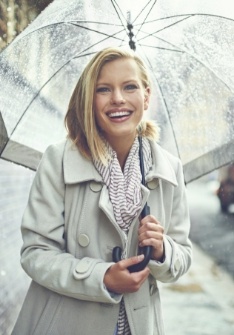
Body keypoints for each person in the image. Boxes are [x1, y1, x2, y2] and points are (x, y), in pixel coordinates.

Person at [12, 47, 192, 335]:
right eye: (104, 89)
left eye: (129, 86)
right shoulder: (58, 160)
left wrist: (162, 250)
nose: (118, 98)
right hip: (67, 323)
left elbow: (182, 256)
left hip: (137, 325)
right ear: (89, 100)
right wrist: (103, 277)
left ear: (146, 96)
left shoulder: (169, 168)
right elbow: (35, 254)